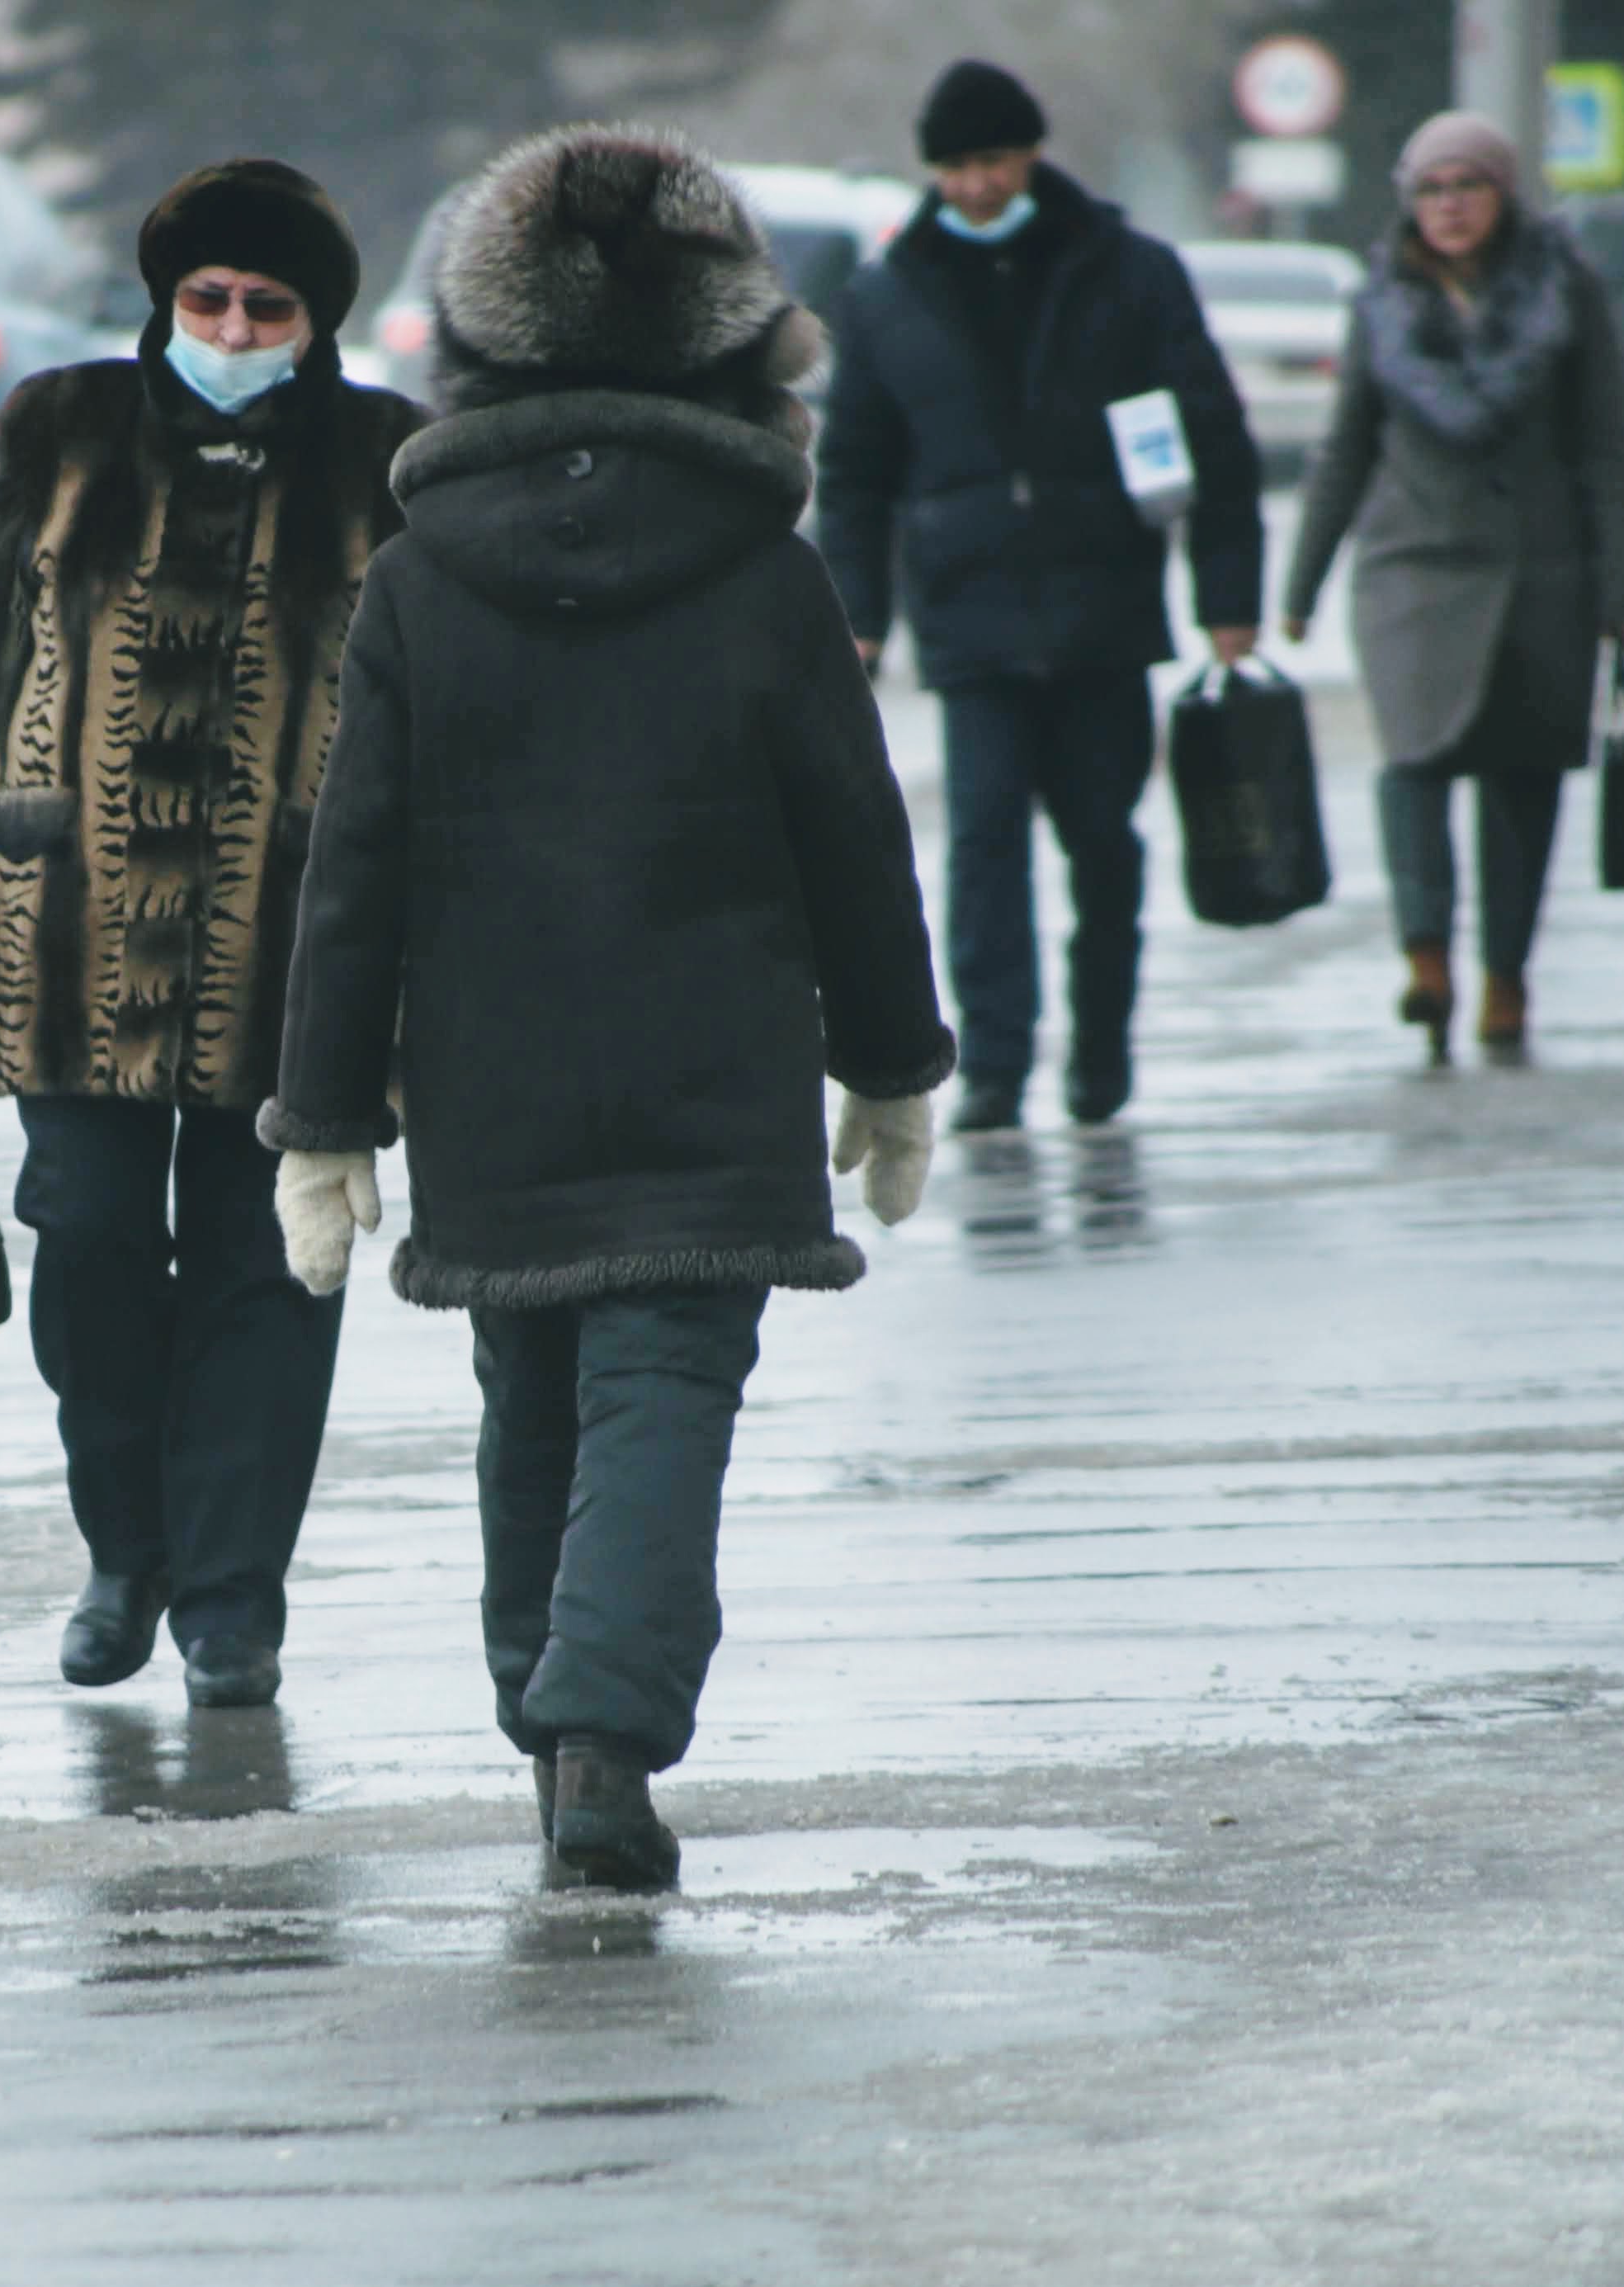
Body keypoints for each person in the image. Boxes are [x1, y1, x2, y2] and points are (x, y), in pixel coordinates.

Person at [264, 128, 954, 1891]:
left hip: (490, 1078)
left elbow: (354, 865)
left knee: (534, 1390)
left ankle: (553, 1715)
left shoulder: (420, 576)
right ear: (729, 349)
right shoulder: (764, 570)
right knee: (664, 1390)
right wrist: (891, 1064)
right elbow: (853, 836)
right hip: (712, 1067)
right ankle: (598, 1735)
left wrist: (324, 1113)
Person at [0, 158, 429, 1710]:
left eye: (266, 307)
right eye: (207, 299)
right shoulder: (61, 426)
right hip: (68, 936)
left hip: (293, 946)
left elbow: (430, 718)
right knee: (89, 1242)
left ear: (314, 321)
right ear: (164, 300)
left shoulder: (384, 458)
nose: (232, 328)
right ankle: (125, 1549)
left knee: (268, 1269)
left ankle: (231, 1602)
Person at [814, 59, 1264, 1132]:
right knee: (981, 853)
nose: (977, 184)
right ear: (932, 170)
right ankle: (995, 1066)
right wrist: (856, 618)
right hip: (967, 617)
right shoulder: (886, 294)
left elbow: (1213, 438)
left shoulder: (1128, 271)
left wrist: (1227, 597)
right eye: (957, 166)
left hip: (1103, 608)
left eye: (995, 160)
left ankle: (1099, 1055)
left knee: (1103, 845)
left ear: (1030, 155)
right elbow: (855, 475)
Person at [1282, 111, 1624, 1062]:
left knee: (1521, 781)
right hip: (1410, 573)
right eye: (1429, 190)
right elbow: (1344, 449)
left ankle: (1505, 978)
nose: (1447, 207)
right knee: (1411, 765)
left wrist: (1620, 587)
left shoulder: (1565, 289)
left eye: (1467, 187)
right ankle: (1425, 960)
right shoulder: (1381, 300)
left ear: (1502, 195)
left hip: (1539, 574)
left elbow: (1605, 447)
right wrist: (1299, 586)